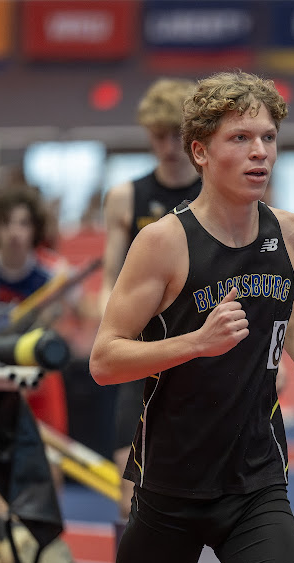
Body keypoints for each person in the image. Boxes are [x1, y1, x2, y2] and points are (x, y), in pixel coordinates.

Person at [89, 71, 294, 563]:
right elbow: (104, 359)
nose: (261, 153)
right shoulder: (162, 243)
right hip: (171, 486)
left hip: (257, 480)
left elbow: (288, 299)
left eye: (268, 138)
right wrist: (197, 344)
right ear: (200, 152)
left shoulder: (291, 231)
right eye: (241, 138)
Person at [99, 77, 202, 520]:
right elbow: (110, 276)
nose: (168, 146)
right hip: (145, 346)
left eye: (175, 135)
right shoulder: (127, 197)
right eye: (158, 135)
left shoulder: (217, 193)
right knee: (131, 487)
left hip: (203, 346)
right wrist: (112, 332)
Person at [0, 183, 74, 506]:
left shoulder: (54, 274)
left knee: (51, 466)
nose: (15, 233)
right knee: (0, 468)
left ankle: (47, 547)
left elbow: (57, 333)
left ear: (34, 228)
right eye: (7, 223)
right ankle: (6, 550)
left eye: (23, 223)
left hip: (42, 380)